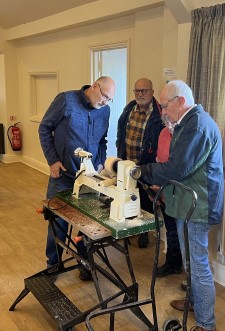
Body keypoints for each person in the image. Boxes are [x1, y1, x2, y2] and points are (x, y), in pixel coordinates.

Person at [139, 80, 224, 331]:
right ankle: (195, 303)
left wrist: (140, 171)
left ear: (181, 102)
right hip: (188, 202)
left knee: (198, 265)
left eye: (165, 106)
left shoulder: (196, 126)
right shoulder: (188, 122)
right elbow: (180, 167)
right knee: (191, 262)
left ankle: (207, 325)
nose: (163, 111)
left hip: (199, 206)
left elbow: (177, 167)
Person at [39, 76, 116, 280]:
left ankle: (84, 261)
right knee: (57, 221)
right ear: (95, 86)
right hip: (63, 175)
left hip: (89, 177)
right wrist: (52, 160)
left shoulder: (105, 111)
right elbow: (45, 128)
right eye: (104, 96)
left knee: (87, 223)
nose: (105, 102)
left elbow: (102, 140)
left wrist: (99, 162)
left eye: (109, 100)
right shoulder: (66, 100)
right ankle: (53, 264)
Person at [116, 78, 163, 248]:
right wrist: (119, 150)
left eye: (144, 90)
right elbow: (121, 132)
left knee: (146, 201)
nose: (140, 94)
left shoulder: (158, 114)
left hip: (146, 165)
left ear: (152, 91)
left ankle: (143, 233)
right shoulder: (129, 109)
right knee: (126, 198)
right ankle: (127, 229)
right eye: (137, 91)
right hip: (126, 164)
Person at [154, 116, 182, 277]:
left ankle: (183, 267)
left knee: (182, 232)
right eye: (166, 122)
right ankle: (172, 263)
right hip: (165, 189)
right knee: (170, 228)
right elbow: (159, 162)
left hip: (180, 191)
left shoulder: (185, 137)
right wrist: (157, 188)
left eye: (173, 122)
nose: (170, 126)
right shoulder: (163, 134)